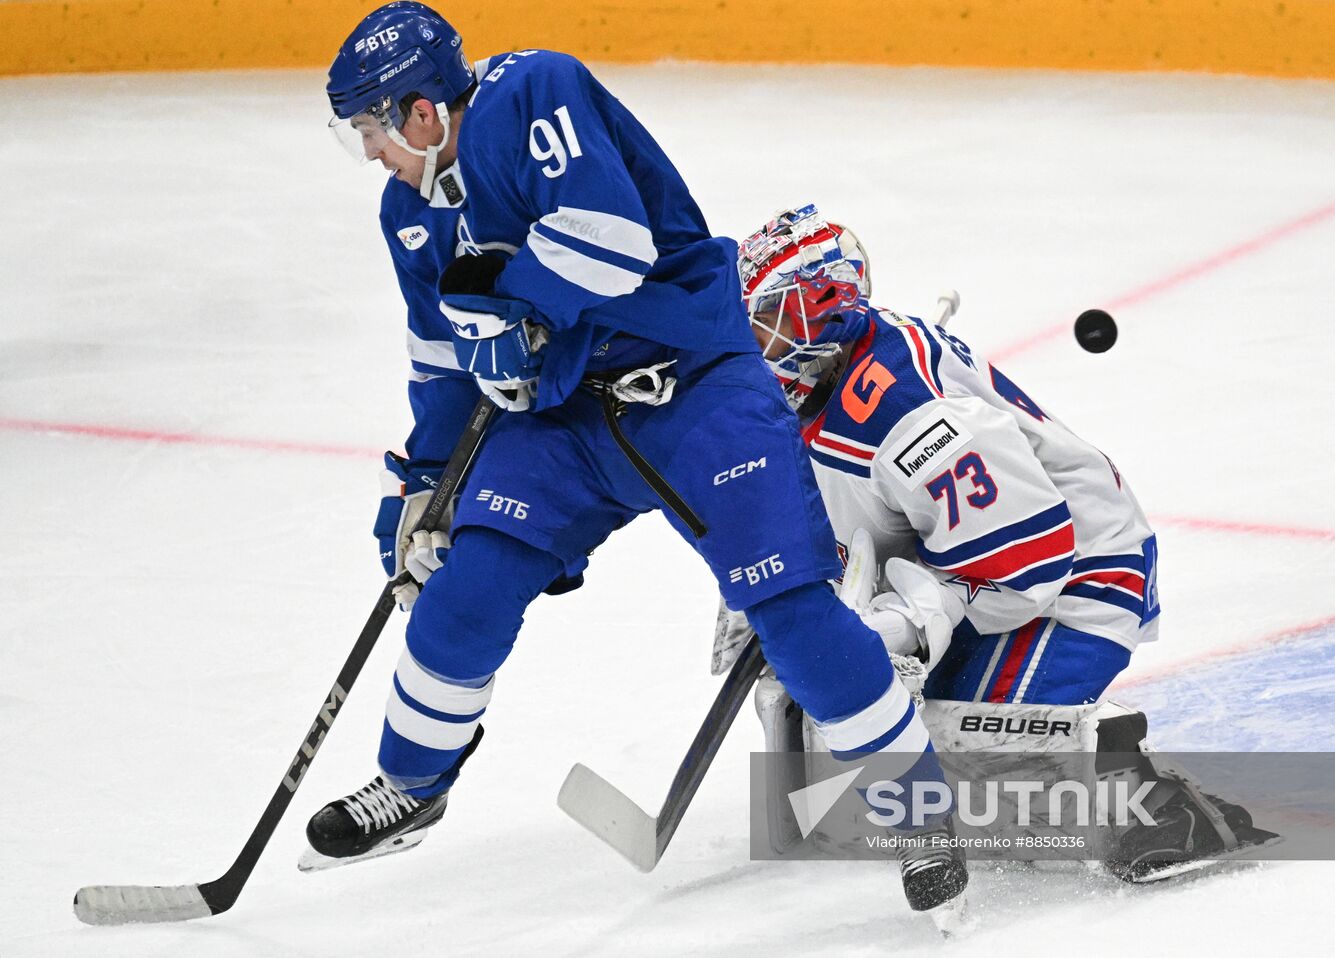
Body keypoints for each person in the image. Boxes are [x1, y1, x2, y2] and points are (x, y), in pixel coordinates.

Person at [307, 3, 963, 912]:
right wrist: (420, 490)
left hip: (696, 389)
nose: (373, 153)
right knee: (465, 587)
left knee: (794, 618)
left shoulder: (536, 90)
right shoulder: (408, 217)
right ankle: (414, 785)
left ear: (421, 112)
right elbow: (443, 362)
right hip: (566, 423)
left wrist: (514, 302)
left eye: (374, 129)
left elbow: (612, 240)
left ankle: (925, 813)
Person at [730, 204, 1279, 882]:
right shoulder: (828, 373)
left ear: (826, 311)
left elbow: (1027, 563)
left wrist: (906, 625)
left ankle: (1152, 800)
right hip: (977, 572)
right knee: (871, 729)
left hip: (1075, 577)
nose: (751, 336)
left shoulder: (916, 420)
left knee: (955, 770)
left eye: (771, 317)